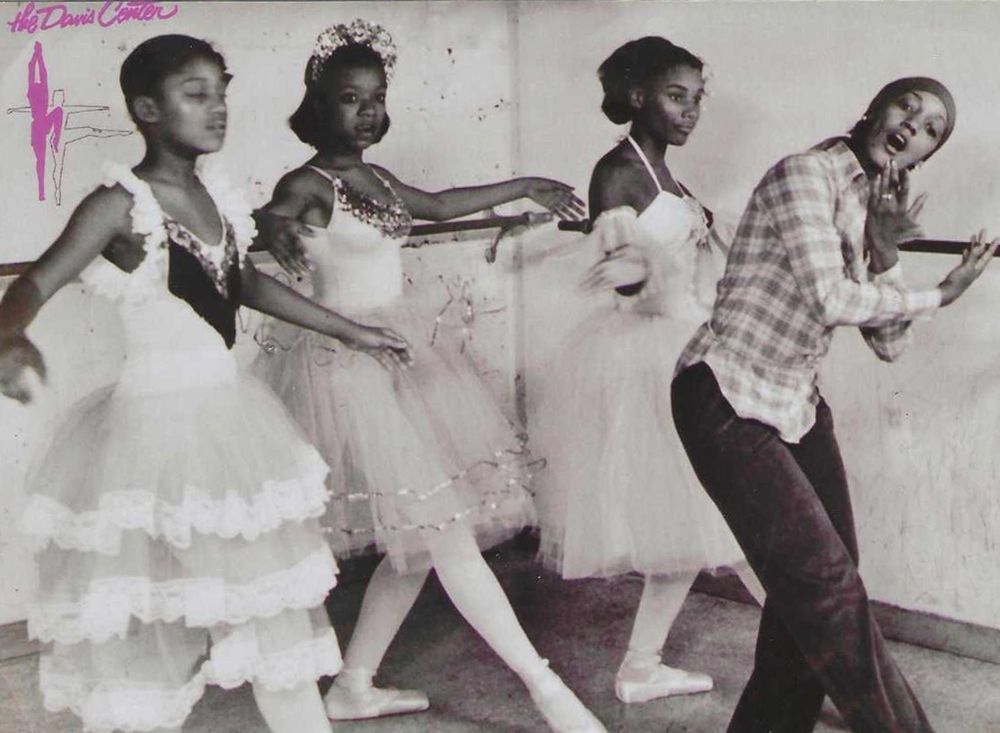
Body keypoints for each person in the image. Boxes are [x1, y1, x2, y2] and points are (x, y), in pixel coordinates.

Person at [0, 34, 411, 733]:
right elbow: (36, 281)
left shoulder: (214, 193)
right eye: (197, 96)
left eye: (221, 93)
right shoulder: (118, 202)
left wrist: (349, 328)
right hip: (152, 431)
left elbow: (240, 282)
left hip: (229, 418)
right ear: (147, 109)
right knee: (152, 626)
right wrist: (9, 334)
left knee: (271, 618)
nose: (217, 109)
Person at [251, 19, 605, 733]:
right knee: (441, 528)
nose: (368, 112)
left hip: (403, 359)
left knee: (421, 531)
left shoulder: (374, 177)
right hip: (345, 370)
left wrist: (526, 184)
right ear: (318, 104)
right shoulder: (305, 182)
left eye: (377, 97)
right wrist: (270, 226)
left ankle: (352, 684)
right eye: (350, 99)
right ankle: (546, 691)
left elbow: (439, 205)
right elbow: (263, 227)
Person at [671, 76, 996, 732]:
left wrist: (883, 250)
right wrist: (942, 292)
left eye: (933, 127)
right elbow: (828, 299)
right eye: (909, 105)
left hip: (794, 403)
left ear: (924, 157)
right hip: (727, 393)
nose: (914, 126)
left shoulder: (863, 206)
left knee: (818, 586)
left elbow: (890, 345)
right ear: (875, 107)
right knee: (829, 590)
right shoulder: (805, 175)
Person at [528, 36, 765, 706]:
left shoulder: (669, 176)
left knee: (703, 513)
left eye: (698, 98)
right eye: (675, 95)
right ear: (638, 98)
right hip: (651, 357)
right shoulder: (619, 171)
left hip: (689, 342)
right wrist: (633, 267)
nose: (691, 111)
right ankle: (827, 647)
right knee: (736, 504)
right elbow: (624, 273)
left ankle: (641, 665)